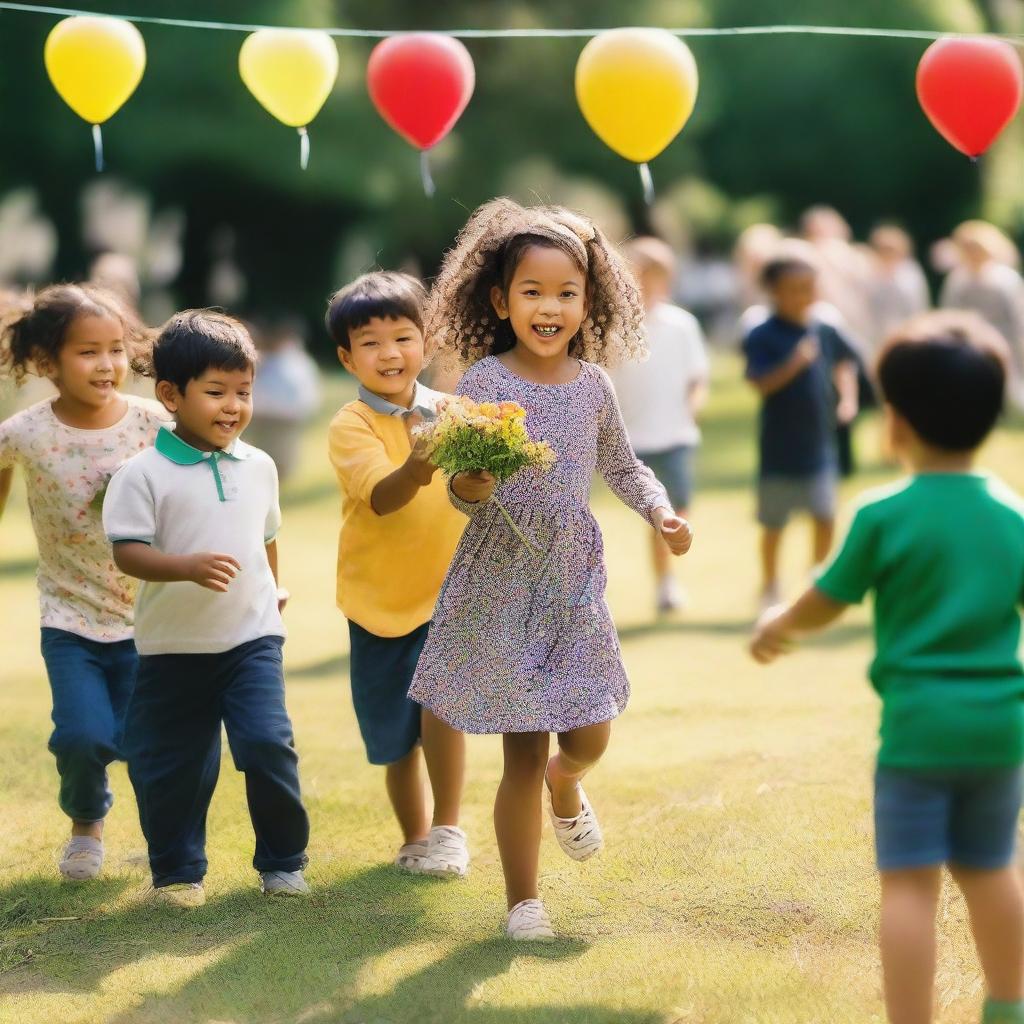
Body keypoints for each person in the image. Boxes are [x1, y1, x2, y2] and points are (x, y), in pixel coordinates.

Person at [408, 199, 693, 941]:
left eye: (567, 293)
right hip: (502, 579)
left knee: (590, 731)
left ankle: (569, 786)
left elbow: (623, 466)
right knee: (523, 749)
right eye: (532, 292)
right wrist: (470, 487)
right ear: (500, 301)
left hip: (571, 579)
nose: (550, 307)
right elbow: (465, 487)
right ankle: (523, 904)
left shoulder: (593, 385)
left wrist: (660, 512)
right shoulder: (484, 383)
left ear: (588, 303)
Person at [751, 310, 1024, 1024]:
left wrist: (779, 625)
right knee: (991, 868)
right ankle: (1008, 1008)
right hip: (1000, 728)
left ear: (894, 422)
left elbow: (825, 600)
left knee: (909, 886)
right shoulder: (1012, 516)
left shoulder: (883, 515)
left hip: (918, 730)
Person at [103, 310, 310, 907]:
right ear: (171, 394)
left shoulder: (261, 466)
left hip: (252, 640)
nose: (233, 406)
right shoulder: (141, 475)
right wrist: (187, 566)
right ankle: (176, 872)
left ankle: (283, 862)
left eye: (243, 392)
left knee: (268, 745)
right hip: (173, 649)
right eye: (215, 392)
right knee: (173, 766)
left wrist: (274, 588)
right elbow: (128, 553)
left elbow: (266, 534)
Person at [0, 283, 167, 880]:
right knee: (82, 736)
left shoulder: (154, 424)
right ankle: (86, 827)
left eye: (117, 349)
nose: (108, 365)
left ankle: (163, 842)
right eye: (88, 352)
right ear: (48, 363)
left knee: (149, 739)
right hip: (68, 616)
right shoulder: (23, 433)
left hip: (148, 613)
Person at [325, 271, 469, 877]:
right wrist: (418, 464)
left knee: (443, 708)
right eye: (371, 342)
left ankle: (448, 829)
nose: (390, 353)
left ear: (427, 340)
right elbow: (383, 498)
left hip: (451, 595)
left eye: (403, 337)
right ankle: (414, 837)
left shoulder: (457, 412)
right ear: (346, 357)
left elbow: (472, 490)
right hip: (379, 601)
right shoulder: (351, 425)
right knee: (393, 739)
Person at [742, 254, 859, 608]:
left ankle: (817, 580)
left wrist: (848, 399)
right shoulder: (762, 334)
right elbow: (759, 382)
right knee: (774, 523)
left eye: (809, 289)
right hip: (779, 448)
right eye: (794, 290)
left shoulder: (824, 328)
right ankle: (770, 584)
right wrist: (795, 363)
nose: (803, 297)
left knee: (824, 515)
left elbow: (845, 361)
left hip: (820, 444)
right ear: (774, 292)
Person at [610, 236, 709, 612]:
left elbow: (697, 376)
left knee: (678, 508)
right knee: (659, 512)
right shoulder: (617, 330)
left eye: (654, 275)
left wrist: (693, 407)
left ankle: (667, 577)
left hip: (677, 434)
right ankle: (665, 584)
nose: (646, 283)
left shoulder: (682, 325)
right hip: (636, 437)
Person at [940, 220, 1024, 409]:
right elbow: (950, 310)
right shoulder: (957, 278)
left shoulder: (1006, 279)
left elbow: (1017, 315)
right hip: (968, 340)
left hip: (1003, 338)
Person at [245, 315, 321, 482]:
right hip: (268, 415)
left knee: (280, 456)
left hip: (282, 416)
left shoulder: (293, 361)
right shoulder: (273, 358)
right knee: (267, 453)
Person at [867, 224, 930, 356]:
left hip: (907, 332)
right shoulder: (869, 274)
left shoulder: (911, 274)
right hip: (876, 335)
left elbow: (919, 305)